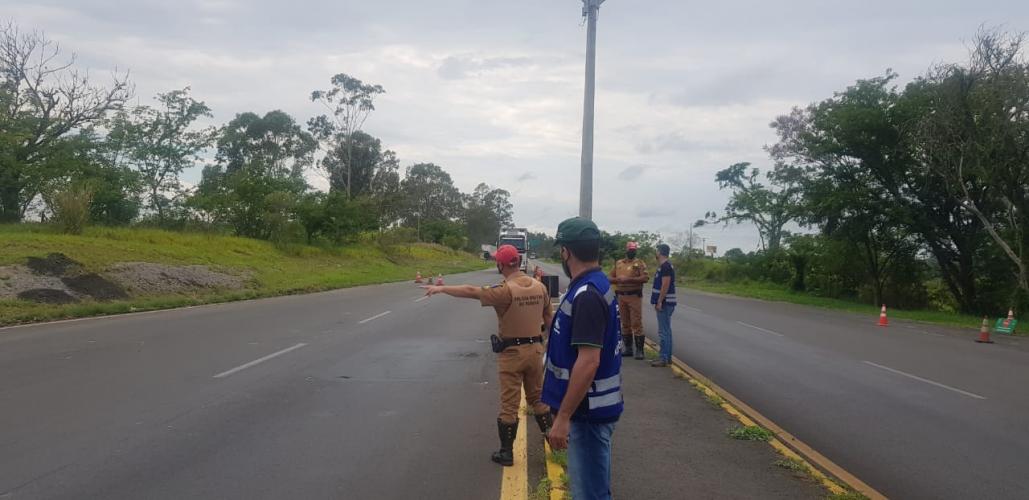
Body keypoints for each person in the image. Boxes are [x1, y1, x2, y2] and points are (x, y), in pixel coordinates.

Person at [422, 244, 553, 466]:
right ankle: (554, 440)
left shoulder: (504, 290)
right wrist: (548, 346)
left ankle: (506, 453)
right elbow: (549, 319)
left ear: (500, 264)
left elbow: (472, 291)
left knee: (509, 404)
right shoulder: (539, 287)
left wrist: (442, 289)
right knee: (538, 398)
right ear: (519, 262)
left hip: (512, 354)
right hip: (536, 350)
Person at [542, 217, 622, 500]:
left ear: (566, 252)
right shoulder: (594, 285)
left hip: (587, 414)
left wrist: (563, 417)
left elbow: (589, 361)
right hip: (592, 409)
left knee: (590, 494)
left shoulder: (587, 294)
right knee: (592, 489)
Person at [609, 241, 649, 360]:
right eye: (630, 250)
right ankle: (628, 348)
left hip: (634, 296)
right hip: (621, 296)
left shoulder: (639, 263)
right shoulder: (619, 263)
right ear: (626, 250)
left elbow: (645, 278)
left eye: (633, 250)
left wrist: (629, 280)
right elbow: (609, 277)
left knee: (636, 323)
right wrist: (618, 280)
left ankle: (640, 350)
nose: (632, 252)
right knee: (624, 323)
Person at [650, 243, 677, 367]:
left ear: (659, 252)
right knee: (667, 331)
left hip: (665, 303)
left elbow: (665, 285)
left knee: (663, 332)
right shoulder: (665, 266)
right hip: (666, 303)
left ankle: (664, 358)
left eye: (657, 251)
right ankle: (667, 357)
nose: (656, 253)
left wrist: (660, 301)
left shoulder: (665, 267)